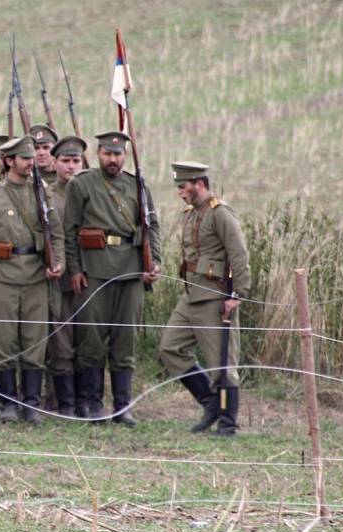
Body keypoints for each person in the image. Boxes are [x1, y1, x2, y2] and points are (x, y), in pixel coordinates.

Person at [63, 131, 161, 426]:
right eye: (107, 154)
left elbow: (151, 225)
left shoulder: (137, 185)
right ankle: (93, 404)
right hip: (94, 270)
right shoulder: (82, 184)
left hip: (130, 270)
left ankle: (122, 406)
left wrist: (153, 260)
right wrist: (75, 269)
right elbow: (70, 231)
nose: (113, 159)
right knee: (91, 340)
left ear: (125, 156)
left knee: (124, 340)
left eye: (118, 154)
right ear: (97, 154)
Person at [0, 135, 64, 424]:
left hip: (36, 276)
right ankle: (8, 403)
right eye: (25, 159)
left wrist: (57, 263)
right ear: (10, 161)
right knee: (3, 343)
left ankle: (31, 405)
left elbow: (56, 235)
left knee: (35, 342)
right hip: (2, 277)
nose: (31, 163)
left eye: (32, 158)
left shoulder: (43, 195)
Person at [158, 161, 249, 436]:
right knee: (169, 347)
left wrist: (237, 295)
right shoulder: (191, 213)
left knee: (222, 364)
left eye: (183, 186)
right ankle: (210, 402)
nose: (180, 192)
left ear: (199, 183)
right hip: (191, 296)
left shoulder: (220, 213)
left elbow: (239, 254)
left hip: (214, 298)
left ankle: (227, 422)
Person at [46, 136, 86, 416]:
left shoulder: (90, 192)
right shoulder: (48, 196)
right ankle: (65, 403)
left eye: (76, 161)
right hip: (59, 282)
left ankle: (86, 399)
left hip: (88, 280)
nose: (71, 166)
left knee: (87, 340)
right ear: (55, 162)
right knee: (60, 341)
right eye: (65, 161)